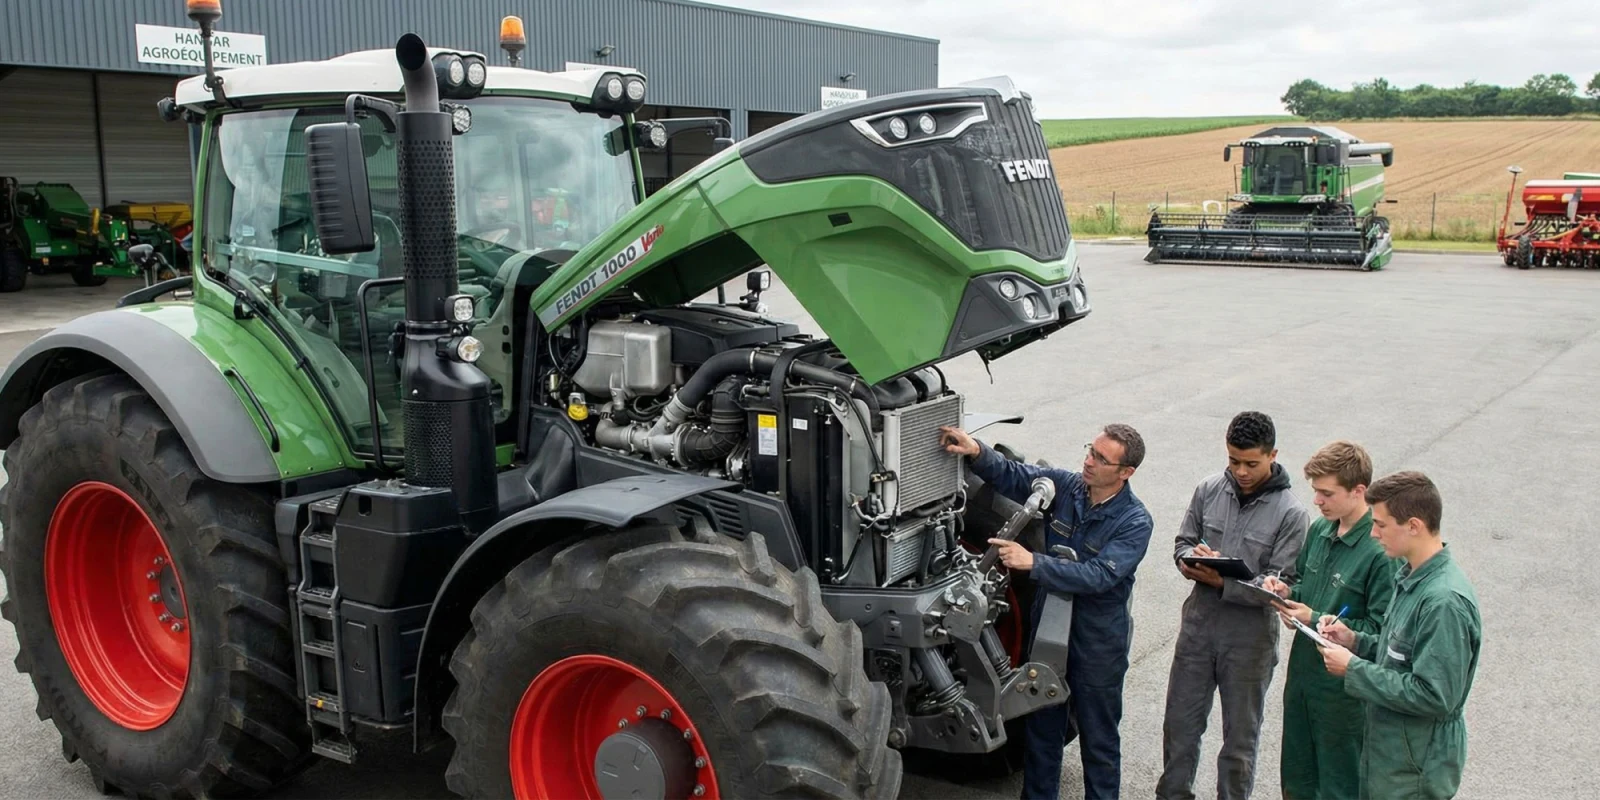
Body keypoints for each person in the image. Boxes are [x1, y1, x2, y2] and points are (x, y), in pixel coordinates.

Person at [939, 423, 1154, 800]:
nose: (1088, 462)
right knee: (1042, 729)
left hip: (1097, 642)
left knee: (1099, 739)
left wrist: (1032, 562)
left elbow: (1100, 575)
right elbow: (1016, 476)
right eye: (1091, 450)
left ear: (1126, 473)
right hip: (1050, 631)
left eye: (1102, 459)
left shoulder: (1135, 521)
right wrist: (976, 450)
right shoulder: (1069, 487)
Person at [1157, 411, 1310, 800]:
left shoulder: (1292, 513)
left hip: (1249, 642)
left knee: (1239, 744)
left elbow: (1282, 585)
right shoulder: (1208, 489)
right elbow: (1182, 541)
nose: (1240, 471)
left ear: (1273, 454)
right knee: (1180, 728)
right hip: (1198, 630)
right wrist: (1192, 558)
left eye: (1251, 463)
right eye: (1233, 461)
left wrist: (1225, 581)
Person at [1315, 471, 1482, 799]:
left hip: (1416, 767)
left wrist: (1353, 669)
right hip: (1391, 754)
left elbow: (1434, 695)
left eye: (1381, 524)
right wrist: (1356, 642)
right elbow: (1401, 653)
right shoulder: (1411, 576)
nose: (1374, 534)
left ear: (1414, 526)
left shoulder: (1444, 601)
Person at [1261, 441, 1398, 799]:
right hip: (1304, 679)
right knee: (1297, 776)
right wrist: (1289, 593)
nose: (1317, 501)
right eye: (1315, 492)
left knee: (1338, 783)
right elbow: (1306, 581)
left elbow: (1382, 633)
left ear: (1358, 491)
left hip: (1343, 695)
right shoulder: (1321, 531)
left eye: (1326, 493)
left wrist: (1316, 617)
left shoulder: (1379, 553)